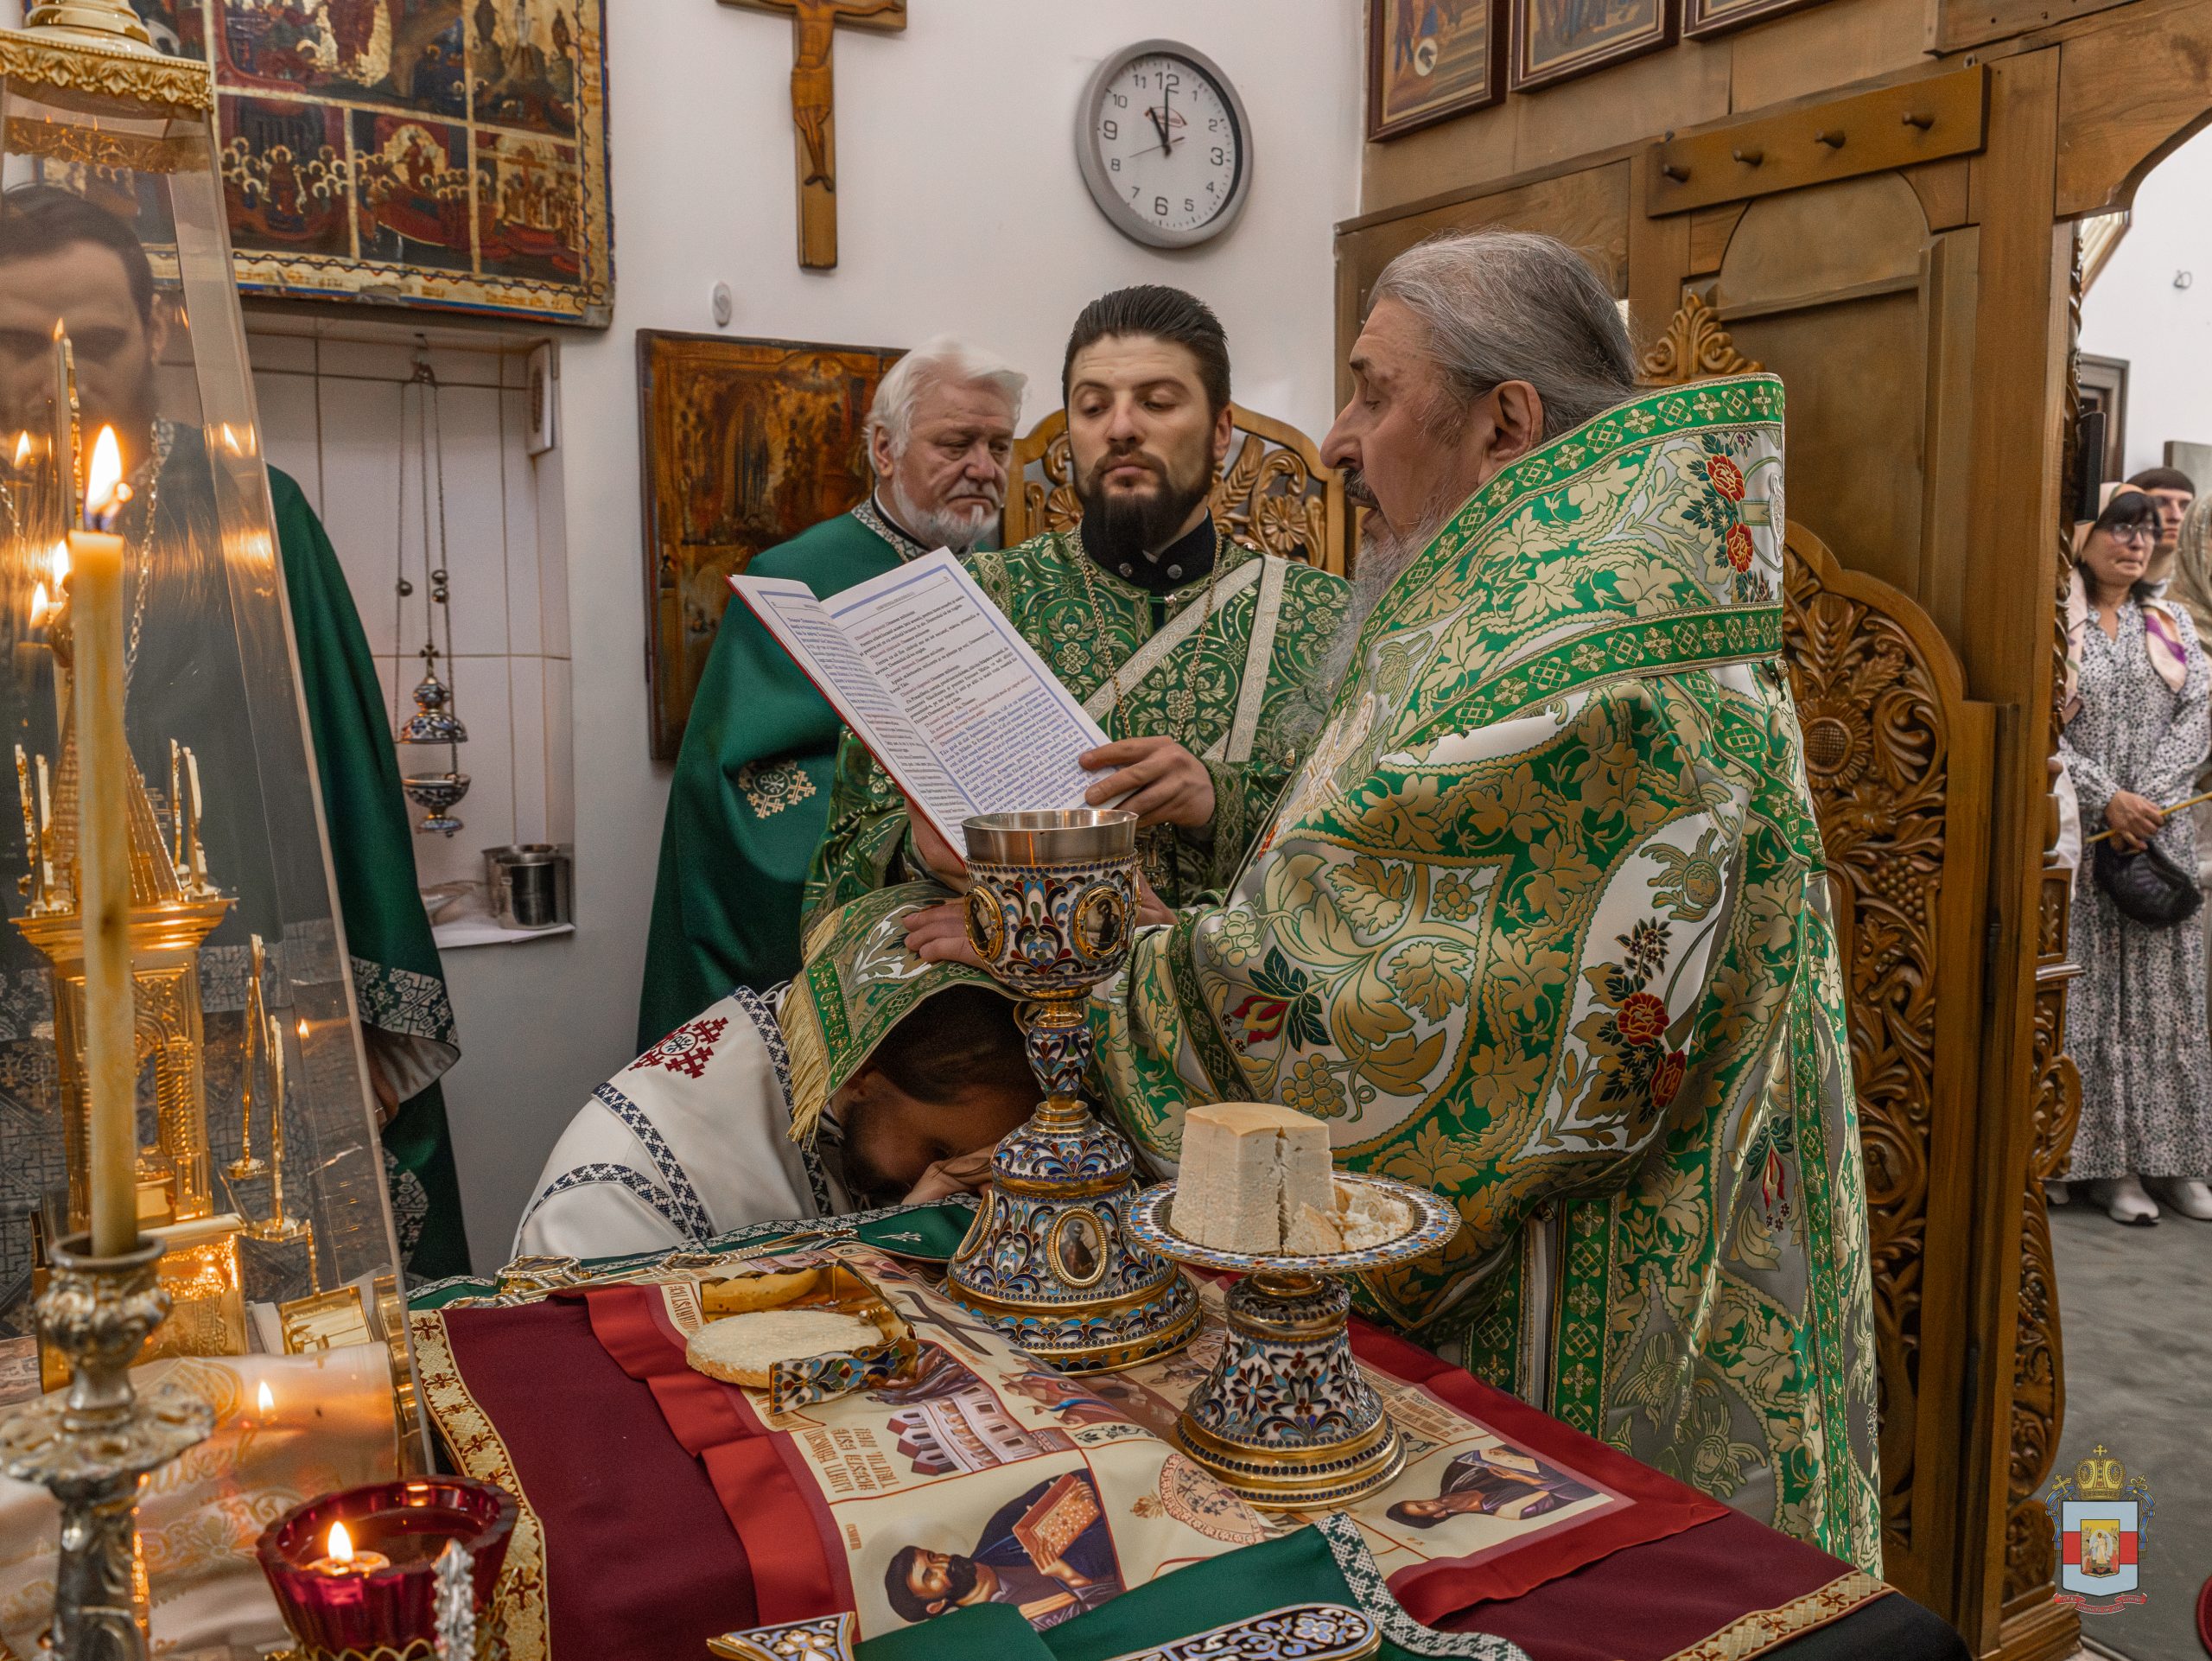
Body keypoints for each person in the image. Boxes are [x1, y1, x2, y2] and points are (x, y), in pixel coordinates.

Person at [905, 231, 1881, 1569]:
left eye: (1371, 390)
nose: (1335, 439)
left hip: (1603, 1327)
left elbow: (1399, 1013)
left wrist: (1117, 943)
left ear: (1505, 421)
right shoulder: (1518, 600)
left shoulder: (1586, 661)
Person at [0, 185, 469, 1279]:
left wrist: (366, 1030)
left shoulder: (255, 513)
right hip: (22, 1045)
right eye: (19, 344)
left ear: (161, 332)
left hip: (244, 1036)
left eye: (101, 342)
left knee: (277, 1345)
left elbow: (343, 781)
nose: (59, 379)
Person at [801, 287, 1349, 940]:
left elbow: (1369, 848)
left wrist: (1216, 800)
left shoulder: (1325, 617)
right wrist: (919, 851)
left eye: (1157, 402)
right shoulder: (968, 606)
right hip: (996, 1003)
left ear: (1221, 431)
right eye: (1093, 407)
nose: (1120, 427)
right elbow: (838, 870)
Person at [636, 337, 1025, 1051]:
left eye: (999, 446)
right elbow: (745, 787)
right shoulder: (795, 579)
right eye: (956, 444)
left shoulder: (1014, 580)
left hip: (994, 936)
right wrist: (903, 836)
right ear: (884, 449)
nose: (983, 468)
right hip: (869, 928)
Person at [516, 887, 1034, 1259]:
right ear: (860, 1073)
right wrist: (895, 1250)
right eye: (941, 1150)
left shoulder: (819, 1054)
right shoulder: (616, 1197)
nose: (965, 1184)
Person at [2057, 487, 2212, 1225]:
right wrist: (2105, 798)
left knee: (2167, 1005)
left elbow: (2201, 712)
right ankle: (2109, 1169)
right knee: (2093, 1001)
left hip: (2156, 840)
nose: (2136, 543)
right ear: (2086, 536)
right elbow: (2042, 727)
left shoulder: (2172, 622)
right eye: (2121, 528)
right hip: (2087, 842)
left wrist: (2144, 801)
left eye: (2147, 532)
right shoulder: (2058, 623)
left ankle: (2176, 1163)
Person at [1383, 1444, 1597, 1528]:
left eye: (1416, 1501)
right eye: (1422, 1507)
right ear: (1438, 1516)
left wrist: (1502, 1455)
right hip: (1587, 1463)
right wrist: (1527, 1480)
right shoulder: (1514, 1510)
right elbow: (1583, 1491)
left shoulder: (1456, 1472)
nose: (1424, 1501)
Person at [2124, 464, 2195, 587]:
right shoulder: (2106, 585)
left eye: (2185, 506)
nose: (2176, 516)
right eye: (2159, 503)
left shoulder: (2200, 589)